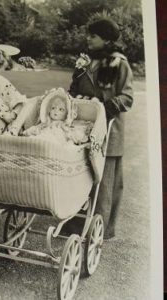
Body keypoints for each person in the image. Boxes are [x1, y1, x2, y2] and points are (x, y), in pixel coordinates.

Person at [69, 18, 134, 239]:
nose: (87, 38)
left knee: (103, 182)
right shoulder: (86, 62)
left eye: (92, 36)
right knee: (79, 174)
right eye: (88, 35)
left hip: (107, 128)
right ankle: (76, 222)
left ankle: (99, 228)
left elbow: (127, 97)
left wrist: (105, 107)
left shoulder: (119, 63)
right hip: (82, 127)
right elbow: (74, 90)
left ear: (106, 39)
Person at [22, 88, 93, 146]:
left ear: (67, 114)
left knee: (60, 142)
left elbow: (70, 133)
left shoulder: (63, 125)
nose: (56, 111)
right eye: (53, 108)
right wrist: (28, 132)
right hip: (43, 137)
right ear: (49, 110)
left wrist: (79, 137)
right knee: (36, 139)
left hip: (55, 141)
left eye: (61, 109)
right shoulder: (46, 123)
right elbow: (36, 128)